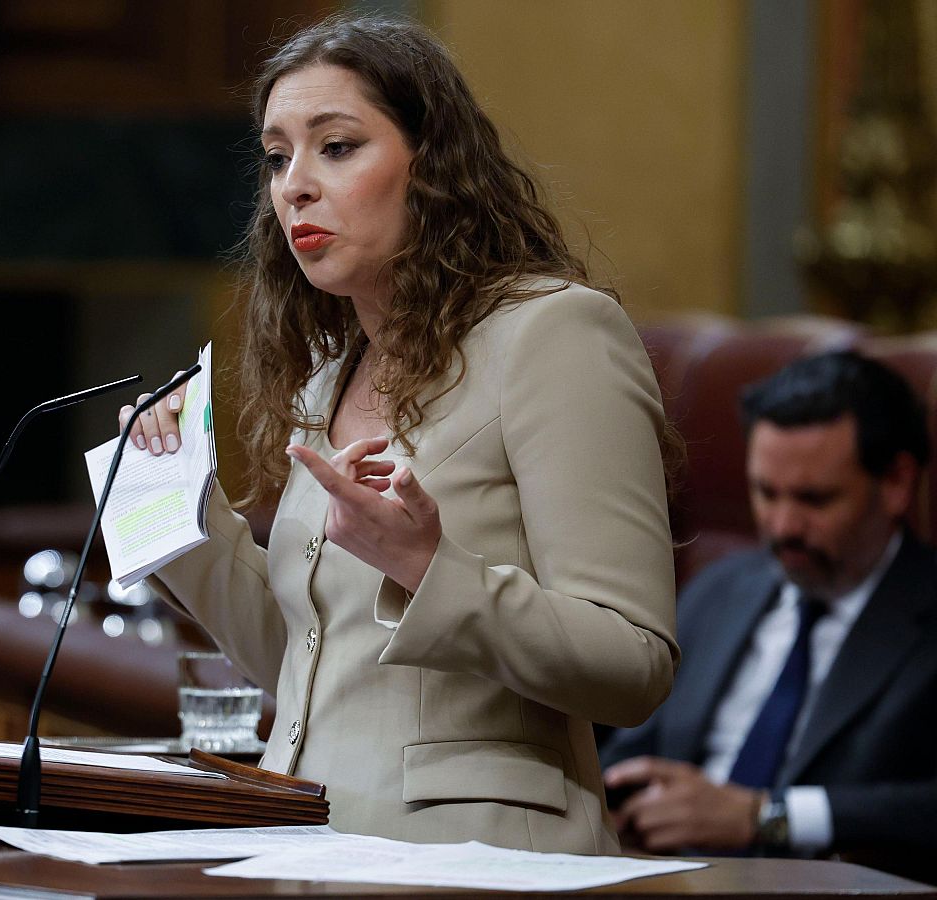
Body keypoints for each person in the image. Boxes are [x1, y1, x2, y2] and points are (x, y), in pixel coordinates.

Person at [118, 15, 678, 853]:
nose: (294, 186)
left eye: (336, 147)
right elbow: (305, 667)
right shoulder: (328, 373)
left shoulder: (556, 336)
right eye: (277, 157)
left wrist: (426, 568)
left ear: (433, 167)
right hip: (302, 845)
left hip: (481, 856)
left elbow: (633, 666)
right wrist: (172, 513)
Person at [601, 350, 935, 881]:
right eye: (765, 492)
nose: (782, 526)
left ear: (896, 482)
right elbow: (631, 748)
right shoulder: (718, 591)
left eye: (814, 499)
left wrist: (765, 817)